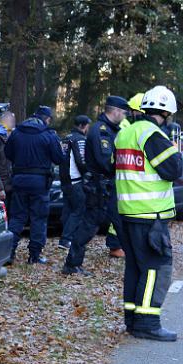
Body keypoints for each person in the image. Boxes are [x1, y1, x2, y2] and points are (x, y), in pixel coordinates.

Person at [115, 85, 183, 341]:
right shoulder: (152, 135)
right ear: (166, 113)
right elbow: (173, 169)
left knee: (136, 268)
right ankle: (147, 323)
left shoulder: (126, 133)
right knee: (157, 268)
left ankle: (132, 320)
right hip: (150, 215)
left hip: (128, 213)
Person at [62, 96, 129, 274]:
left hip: (107, 186)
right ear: (115, 111)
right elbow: (105, 161)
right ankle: (72, 263)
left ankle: (135, 260)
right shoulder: (101, 131)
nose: (125, 116)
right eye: (123, 113)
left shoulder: (109, 129)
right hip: (100, 187)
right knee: (90, 224)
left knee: (119, 221)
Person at [4, 106, 65, 264]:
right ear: (47, 119)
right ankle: (34, 255)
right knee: (38, 218)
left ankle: (8, 253)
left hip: (19, 180)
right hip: (39, 182)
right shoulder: (48, 135)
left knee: (17, 217)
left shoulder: (16, 133)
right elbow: (59, 158)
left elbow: (8, 154)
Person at [58, 115, 91, 249]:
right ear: (83, 125)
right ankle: (67, 239)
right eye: (88, 125)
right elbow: (81, 160)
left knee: (68, 210)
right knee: (79, 210)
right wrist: (87, 174)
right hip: (75, 180)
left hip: (64, 180)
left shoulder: (66, 138)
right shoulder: (80, 139)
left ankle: (66, 239)